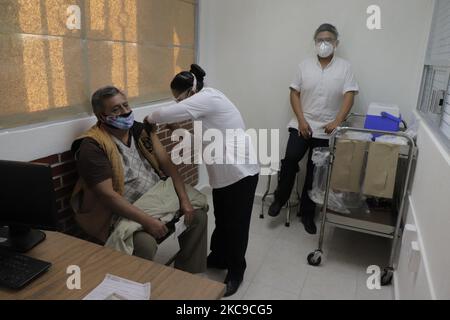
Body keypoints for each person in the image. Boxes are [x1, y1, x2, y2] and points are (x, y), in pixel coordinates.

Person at [145, 64, 260, 297]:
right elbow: (207, 140)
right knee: (223, 218)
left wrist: (148, 120)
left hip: (240, 172)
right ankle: (218, 257)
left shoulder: (209, 98)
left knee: (236, 225)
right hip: (224, 174)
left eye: (179, 99)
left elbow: (162, 115)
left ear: (189, 92)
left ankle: (237, 270)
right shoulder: (207, 103)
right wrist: (180, 130)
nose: (179, 104)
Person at [70, 86, 208, 274]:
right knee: (144, 244)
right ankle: (136, 287)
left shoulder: (140, 131)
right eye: (116, 109)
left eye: (125, 105)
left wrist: (184, 200)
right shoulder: (92, 146)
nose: (125, 112)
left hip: (157, 196)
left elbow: (167, 164)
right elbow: (108, 196)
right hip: (122, 210)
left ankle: (188, 274)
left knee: (197, 216)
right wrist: (148, 221)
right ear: (102, 117)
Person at [268, 23, 359, 234]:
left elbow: (350, 95)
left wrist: (337, 121)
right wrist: (300, 120)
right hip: (302, 123)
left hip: (327, 128)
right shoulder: (304, 66)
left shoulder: (345, 68)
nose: (324, 43)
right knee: (290, 159)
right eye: (320, 40)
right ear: (315, 42)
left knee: (315, 172)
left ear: (336, 43)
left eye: (328, 40)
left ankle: (307, 214)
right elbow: (294, 93)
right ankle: (280, 199)